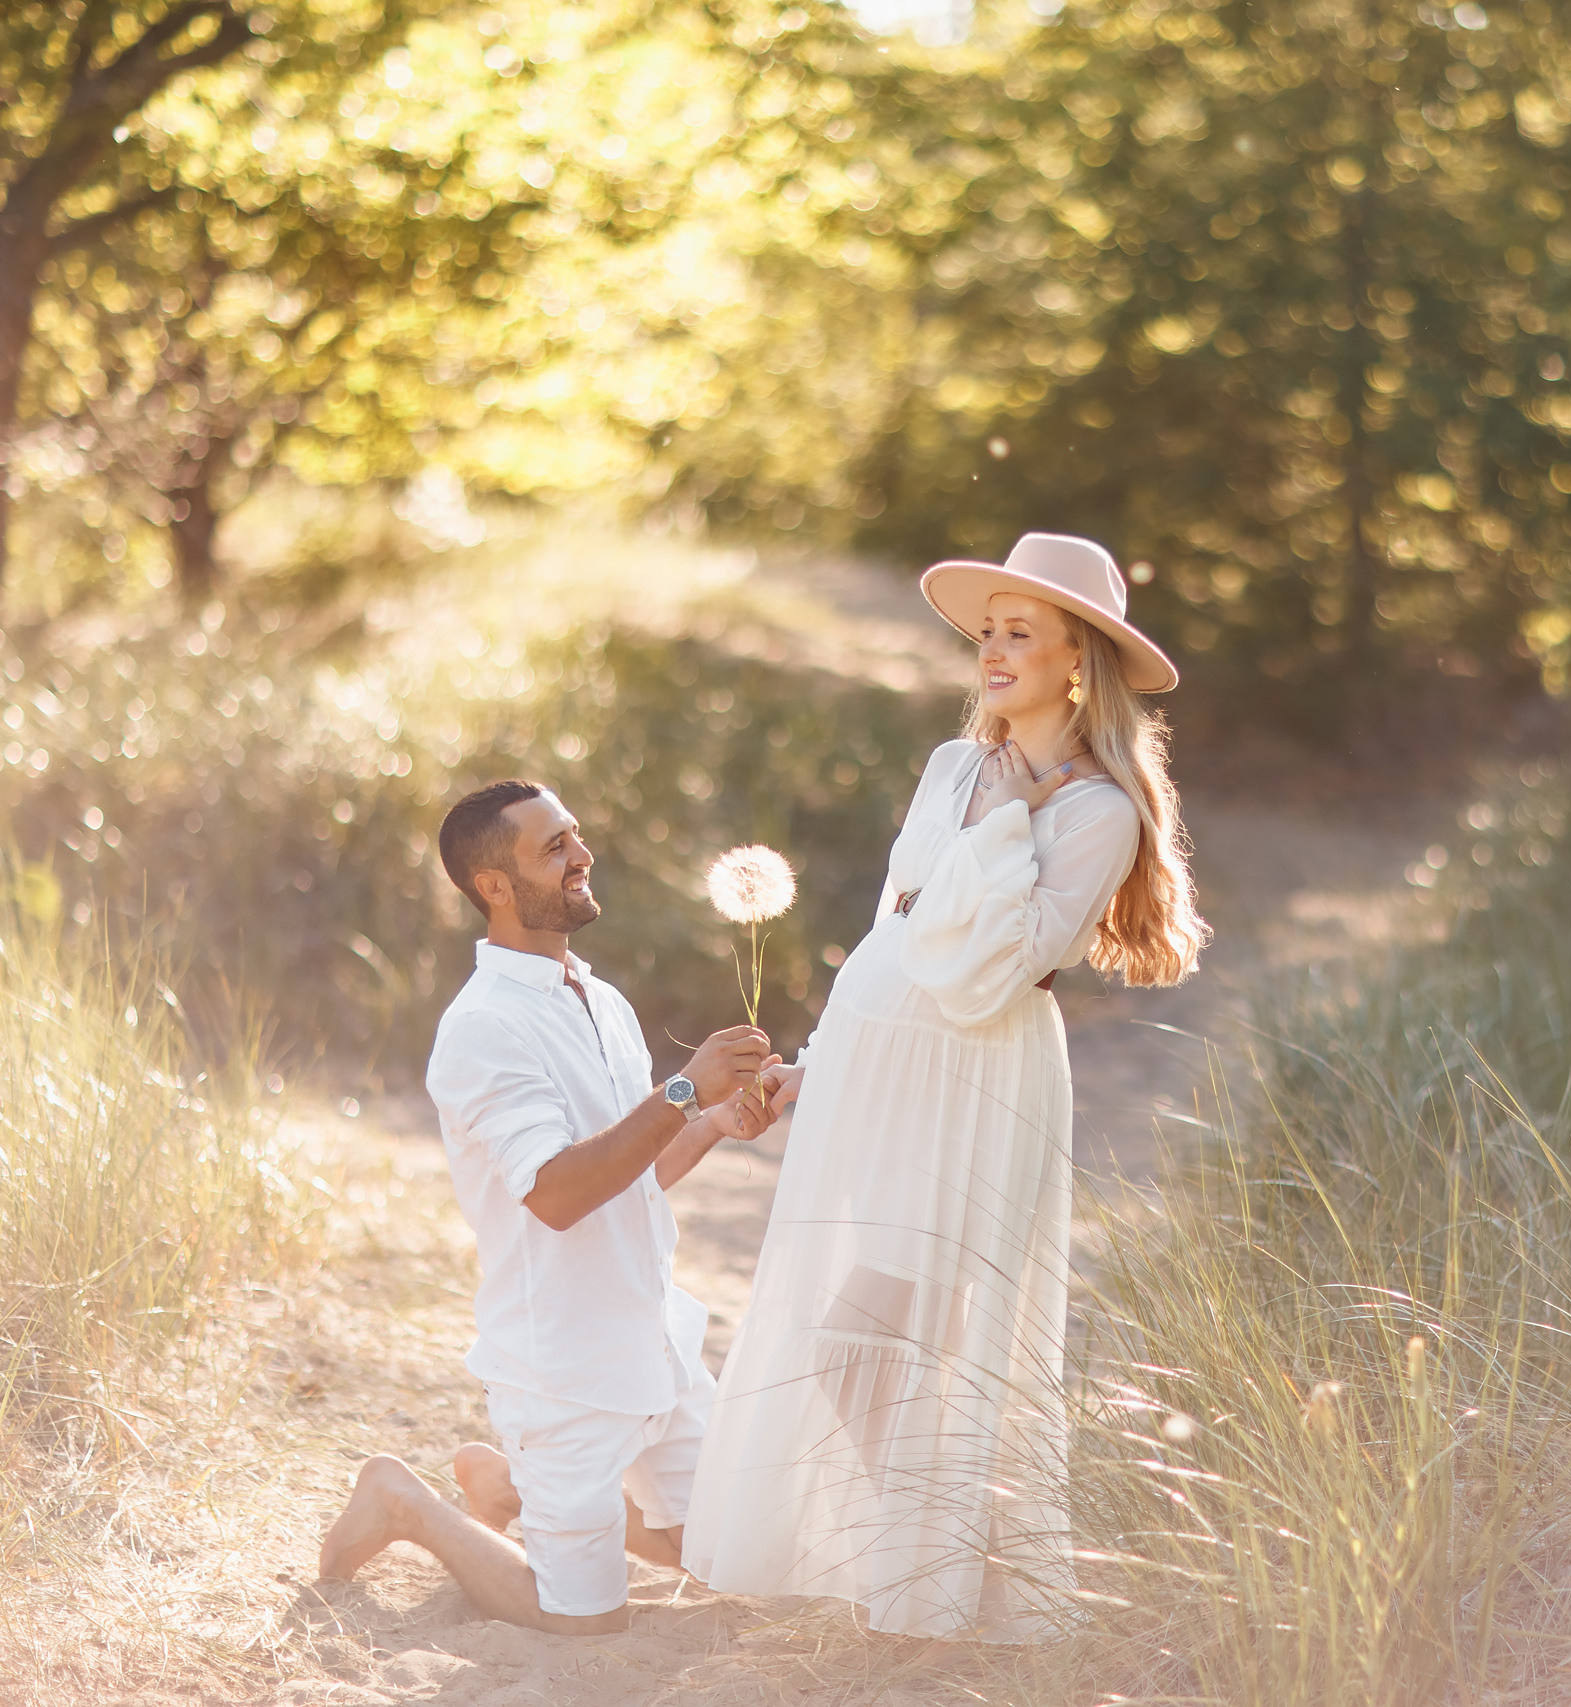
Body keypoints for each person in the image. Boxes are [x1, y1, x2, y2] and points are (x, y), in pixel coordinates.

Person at [680, 532, 1209, 1641]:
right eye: (988, 633)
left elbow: (988, 973)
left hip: (972, 1083)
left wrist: (1010, 816)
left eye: (1022, 634)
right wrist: (820, 1062)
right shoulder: (949, 765)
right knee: (880, 1339)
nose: (994, 652)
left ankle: (949, 1566)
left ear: (1078, 659)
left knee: (871, 1337)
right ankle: (952, 1569)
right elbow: (898, 927)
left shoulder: (1096, 811)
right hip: (877, 1069)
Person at [316, 779, 777, 1634]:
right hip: (564, 1369)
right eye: (554, 846)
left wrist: (714, 1119)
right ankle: (404, 1500)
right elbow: (559, 1196)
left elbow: (630, 1167)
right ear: (493, 884)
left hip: (655, 1341)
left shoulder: (601, 1000)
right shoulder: (484, 1027)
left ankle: (509, 1486)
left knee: (729, 1552)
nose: (582, 854)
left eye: (576, 834)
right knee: (582, 1623)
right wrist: (684, 1089)